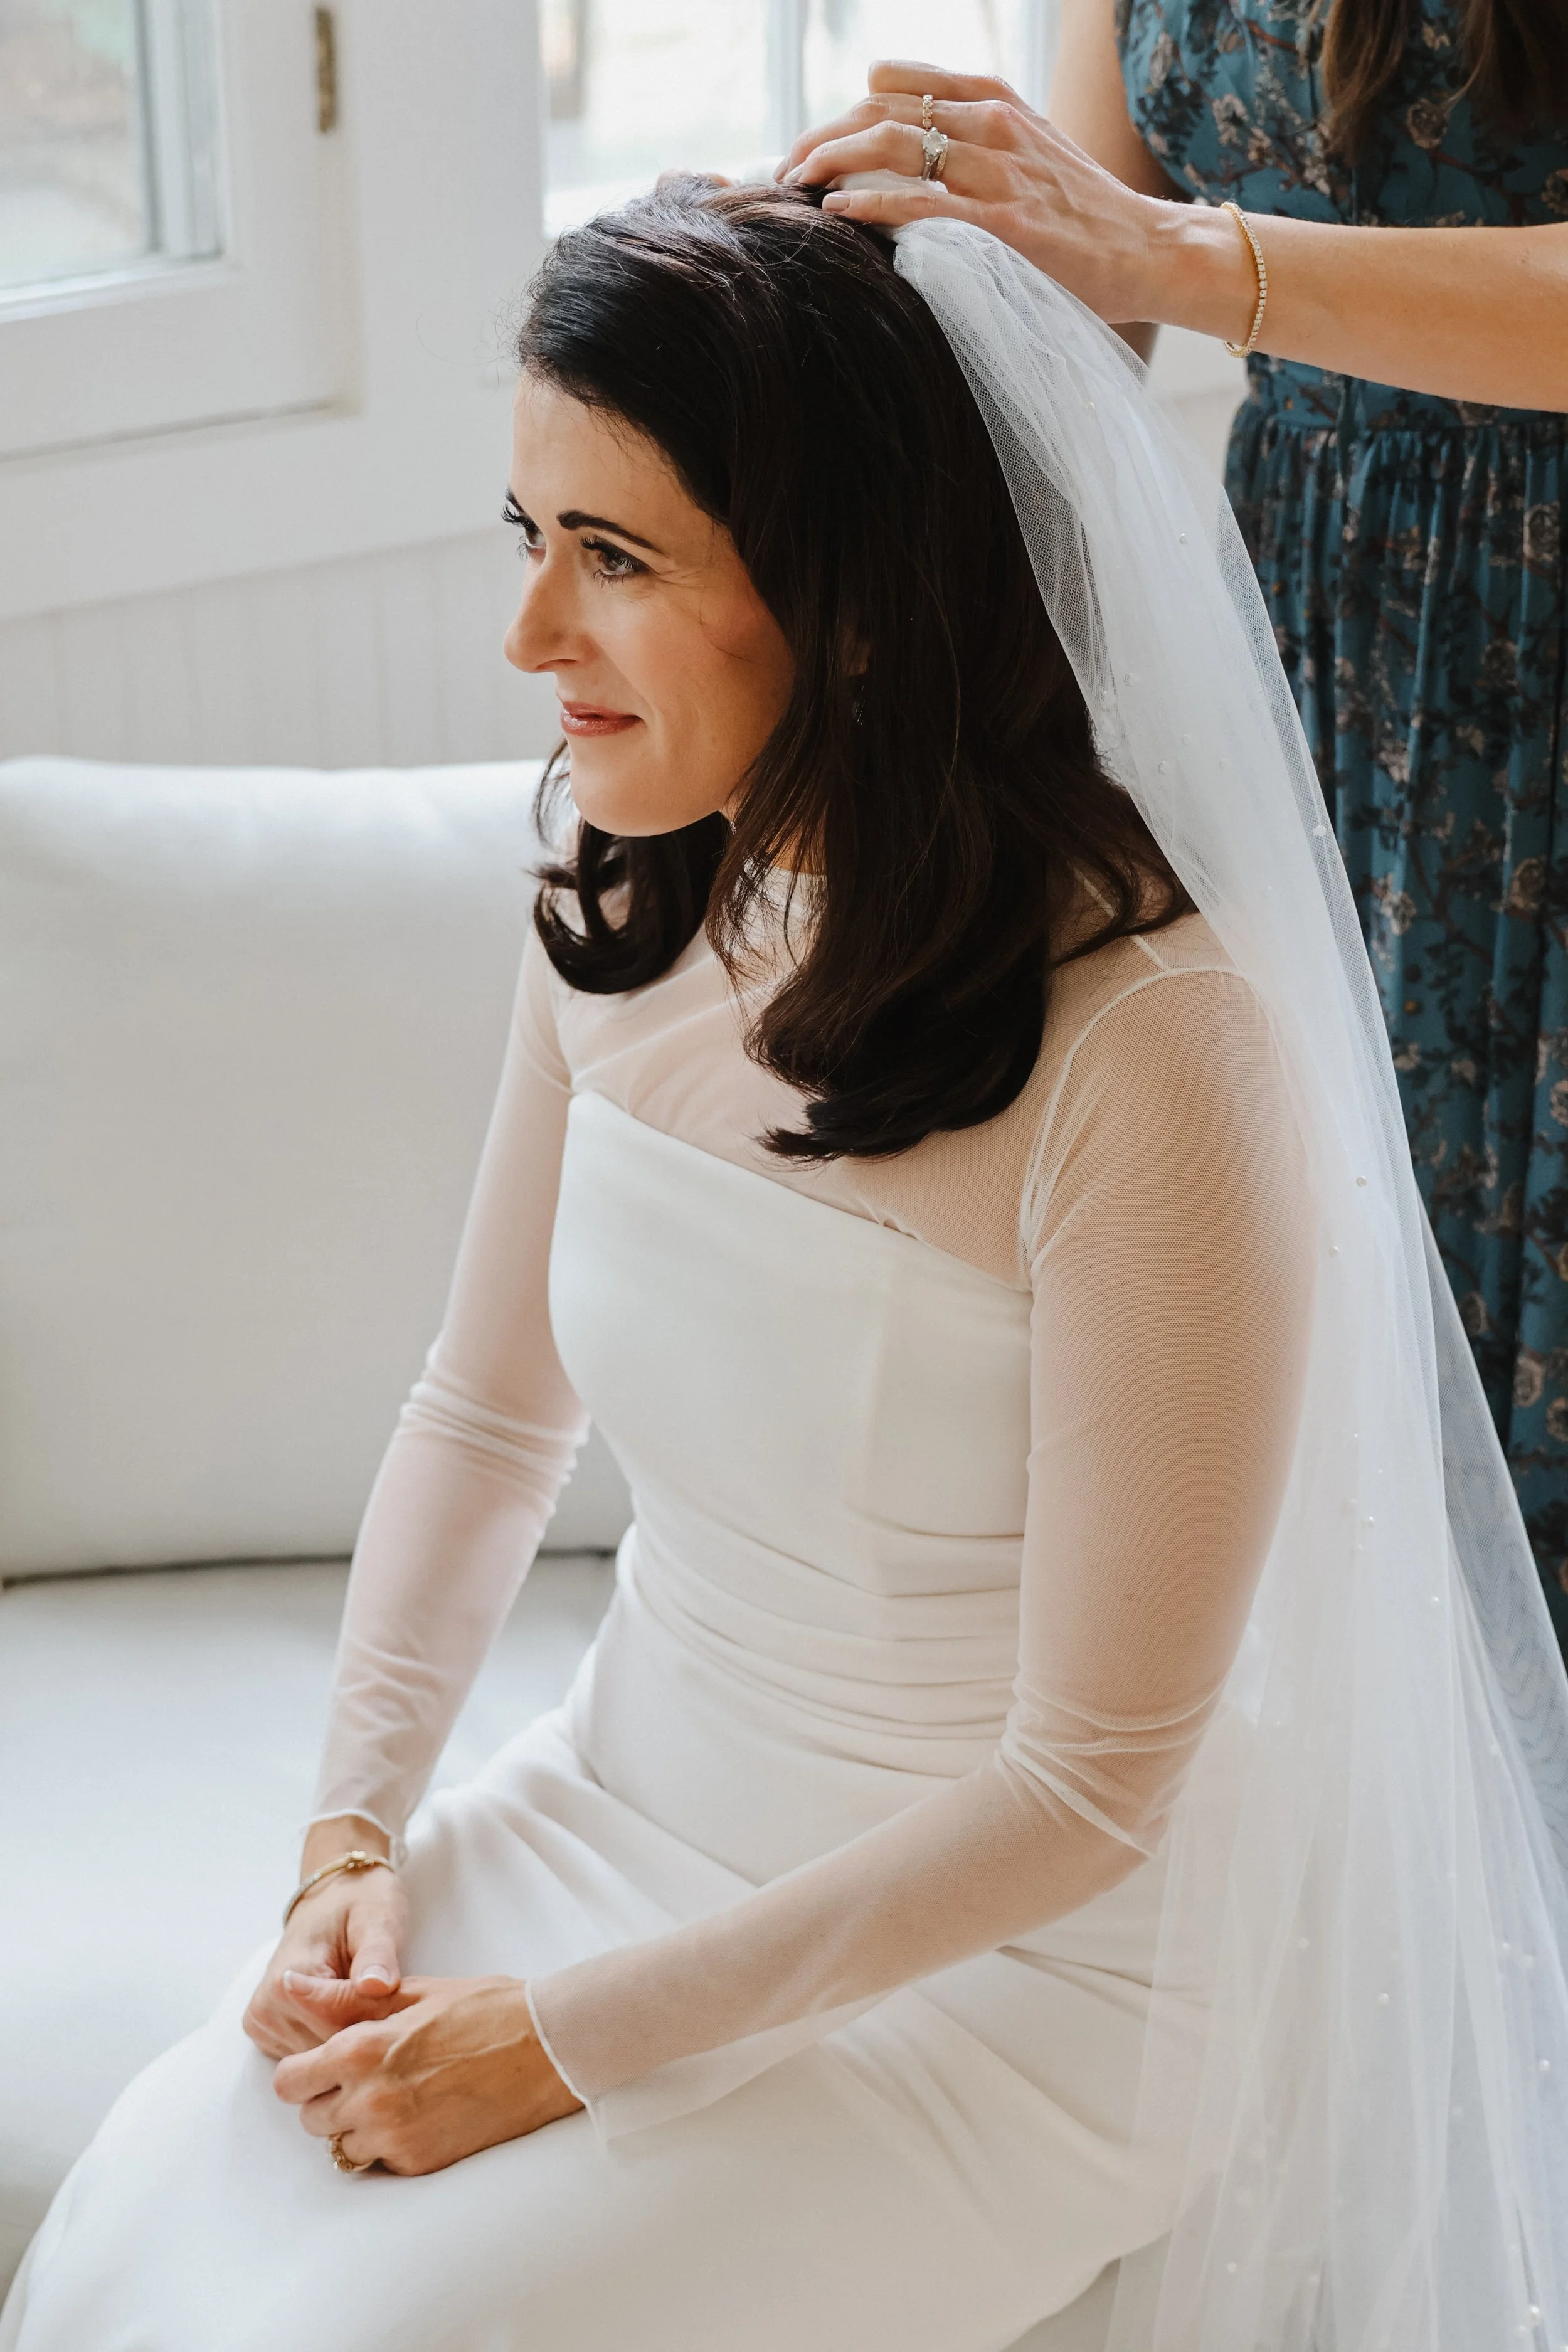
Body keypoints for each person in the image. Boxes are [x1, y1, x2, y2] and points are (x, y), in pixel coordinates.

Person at [4, 180, 1566, 2352]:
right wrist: (346, 1841)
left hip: (1009, 1977)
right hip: (615, 1805)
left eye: (614, 557)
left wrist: (565, 2038)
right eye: (525, 534)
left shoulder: (1155, 1057)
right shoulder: (629, 885)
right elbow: (485, 1413)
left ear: (849, 607)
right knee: (155, 2202)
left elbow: (1089, 1790)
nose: (527, 637)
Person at [788, 7, 1568, 1646]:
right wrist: (821, 280)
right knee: (1315, 1260)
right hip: (1313, 651)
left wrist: (1175, 250)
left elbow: (1140, 246)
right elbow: (1081, 308)